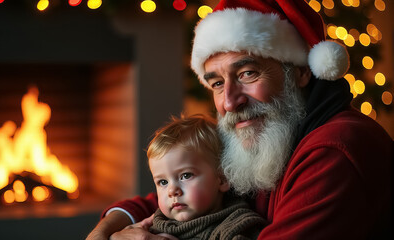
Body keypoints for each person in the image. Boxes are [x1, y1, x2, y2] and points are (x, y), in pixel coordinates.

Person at [86, 0, 393, 239]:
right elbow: (179, 189)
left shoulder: (334, 151)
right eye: (217, 83)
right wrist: (103, 231)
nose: (230, 102)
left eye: (247, 73)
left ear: (299, 71)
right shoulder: (266, 134)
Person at [130, 114, 266, 239]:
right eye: (163, 182)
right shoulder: (153, 224)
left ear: (223, 179)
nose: (172, 191)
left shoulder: (236, 227)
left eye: (186, 175)